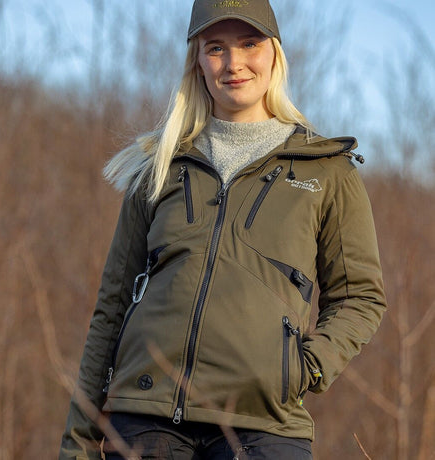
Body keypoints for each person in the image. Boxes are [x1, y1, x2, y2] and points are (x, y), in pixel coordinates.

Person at [59, 0, 387, 459]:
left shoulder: (328, 171)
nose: (233, 63)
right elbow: (112, 307)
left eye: (249, 44)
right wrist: (78, 441)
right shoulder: (159, 166)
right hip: (145, 422)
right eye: (216, 48)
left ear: (274, 54)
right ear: (197, 60)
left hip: (263, 427)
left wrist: (305, 368)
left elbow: (360, 297)